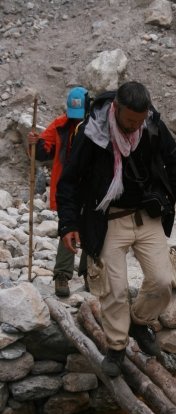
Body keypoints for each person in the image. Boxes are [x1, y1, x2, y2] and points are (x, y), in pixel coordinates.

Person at [56, 81, 176, 377]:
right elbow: (68, 181)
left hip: (147, 214)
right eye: (130, 121)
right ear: (116, 109)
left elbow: (174, 161)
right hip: (108, 219)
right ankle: (117, 347)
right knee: (114, 290)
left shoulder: (152, 125)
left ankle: (139, 320)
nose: (135, 127)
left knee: (162, 281)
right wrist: (68, 223)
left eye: (140, 120)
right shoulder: (93, 134)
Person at [28, 86, 90, 297]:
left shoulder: (97, 125)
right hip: (68, 185)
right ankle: (62, 274)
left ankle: (90, 273)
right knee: (68, 227)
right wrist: (35, 144)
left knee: (91, 227)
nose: (75, 120)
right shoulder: (60, 125)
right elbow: (44, 151)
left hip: (91, 185)